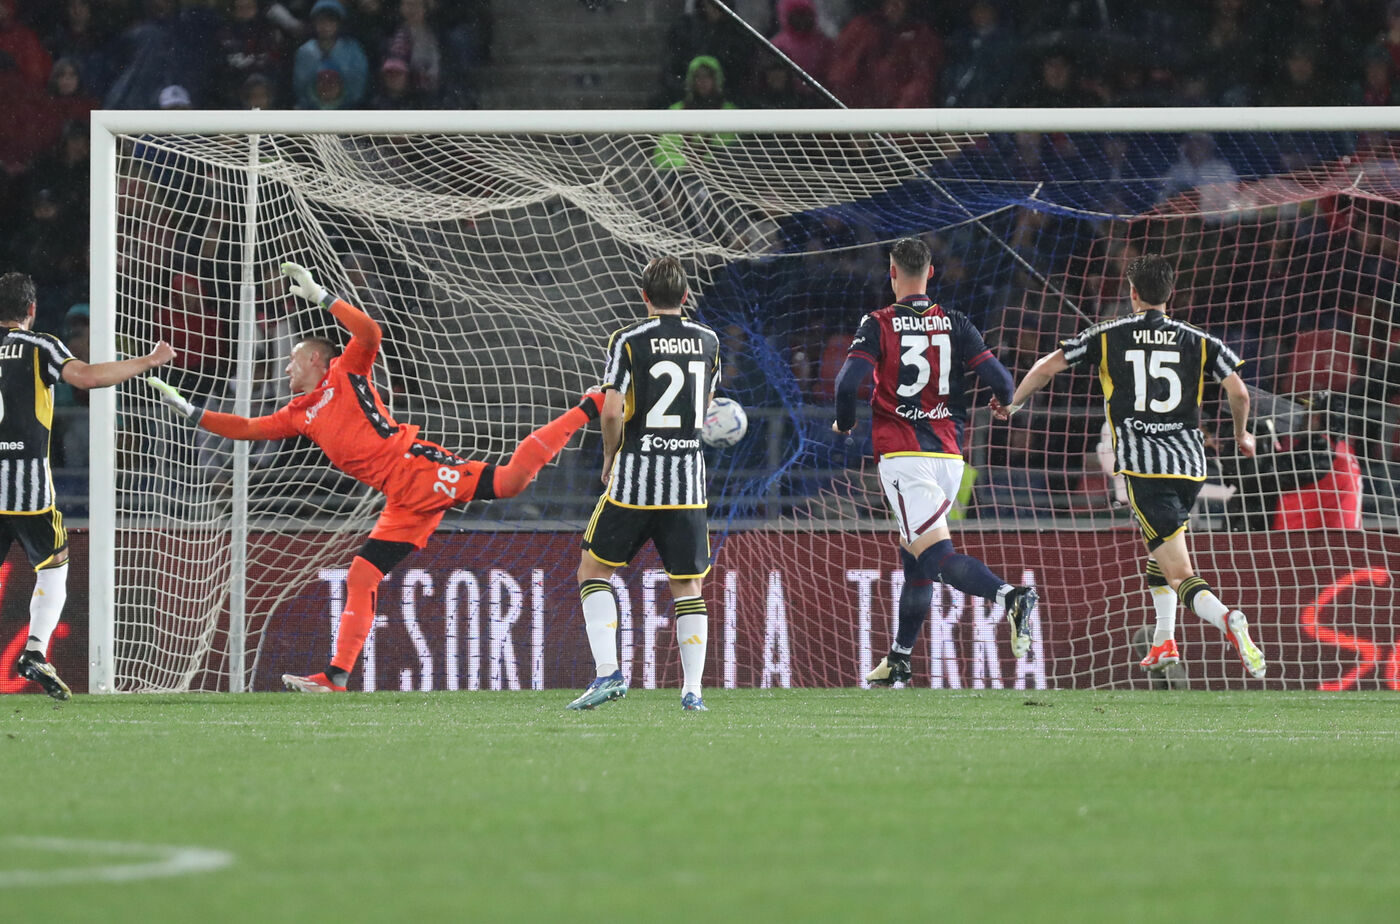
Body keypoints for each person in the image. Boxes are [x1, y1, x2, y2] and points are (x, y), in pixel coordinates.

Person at [149, 262, 604, 692]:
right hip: (399, 498)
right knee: (362, 576)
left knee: (510, 483)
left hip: (417, 468)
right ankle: (336, 677)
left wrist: (323, 297)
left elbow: (370, 332)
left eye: (293, 359)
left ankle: (590, 406)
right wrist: (191, 411)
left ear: (316, 361)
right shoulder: (299, 415)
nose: (285, 367)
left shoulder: (346, 371)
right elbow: (246, 429)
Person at [1001, 254, 1267, 680]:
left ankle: (1227, 620)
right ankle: (1165, 640)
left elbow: (1046, 367)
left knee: (1181, 573)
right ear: (1171, 294)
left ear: (1132, 293)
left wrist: (1014, 404)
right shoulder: (1198, 338)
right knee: (1160, 550)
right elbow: (1239, 392)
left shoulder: (1107, 334)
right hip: (1190, 468)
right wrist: (1241, 436)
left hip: (1147, 472)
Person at [832, 237, 1036, 687]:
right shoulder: (956, 322)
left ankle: (1010, 596)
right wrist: (1006, 405)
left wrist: (844, 424)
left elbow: (848, 385)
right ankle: (900, 659)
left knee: (937, 556)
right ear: (931, 273)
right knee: (916, 560)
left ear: (891, 273)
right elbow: (1003, 383)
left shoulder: (879, 322)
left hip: (904, 458)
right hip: (948, 458)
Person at [0, 271, 175, 699]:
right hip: (28, 490)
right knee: (53, 568)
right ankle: (36, 651)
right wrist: (148, 362)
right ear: (32, 310)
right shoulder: (39, 345)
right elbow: (88, 377)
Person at [569, 255, 721, 712]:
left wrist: (611, 454)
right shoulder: (709, 341)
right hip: (687, 485)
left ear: (644, 297)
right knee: (687, 586)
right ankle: (692, 691)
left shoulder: (629, 340)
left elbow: (612, 410)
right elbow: (707, 405)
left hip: (635, 480)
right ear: (686, 297)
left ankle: (608, 674)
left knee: (593, 572)